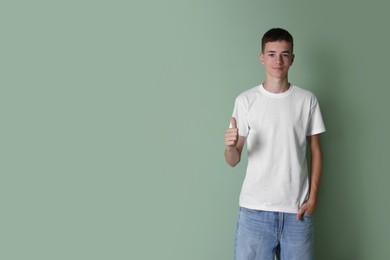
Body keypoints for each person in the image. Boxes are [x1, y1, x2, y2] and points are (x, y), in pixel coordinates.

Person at [224, 28, 326, 260]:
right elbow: (233, 159)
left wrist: (313, 200)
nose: (278, 60)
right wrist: (230, 147)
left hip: (297, 213)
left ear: (292, 58)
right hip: (254, 211)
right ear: (262, 57)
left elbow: (316, 151)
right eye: (271, 54)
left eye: (284, 54)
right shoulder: (246, 100)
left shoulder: (307, 100)